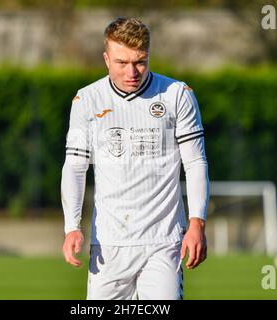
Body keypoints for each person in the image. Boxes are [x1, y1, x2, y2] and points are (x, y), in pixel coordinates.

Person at [61, 17, 209, 300]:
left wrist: (196, 224)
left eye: (140, 61)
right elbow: (76, 168)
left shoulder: (177, 95)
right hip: (109, 245)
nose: (132, 71)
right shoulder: (87, 100)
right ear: (106, 58)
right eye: (121, 62)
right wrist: (72, 227)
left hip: (163, 242)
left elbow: (195, 163)